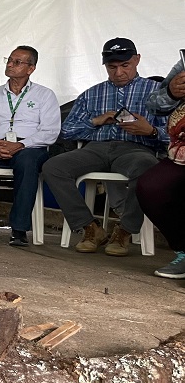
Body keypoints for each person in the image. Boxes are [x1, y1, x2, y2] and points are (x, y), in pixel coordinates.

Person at [42, 38, 167, 256]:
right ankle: (90, 227)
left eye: (125, 65)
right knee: (54, 167)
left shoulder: (157, 92)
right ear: (105, 66)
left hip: (136, 149)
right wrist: (96, 121)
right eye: (112, 67)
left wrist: (151, 131)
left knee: (147, 166)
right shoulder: (92, 94)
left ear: (137, 60)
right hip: (96, 149)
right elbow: (65, 131)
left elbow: (175, 135)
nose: (118, 72)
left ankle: (125, 230)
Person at [0, 46, 60, 247]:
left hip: (30, 148)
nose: (10, 65)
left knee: (27, 162)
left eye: (17, 62)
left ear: (31, 68)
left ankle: (19, 229)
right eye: (9, 60)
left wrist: (20, 145)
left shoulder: (45, 95)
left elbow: (50, 131)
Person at [136, 55, 185, 277]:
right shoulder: (184, 62)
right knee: (152, 188)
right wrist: (171, 93)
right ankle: (184, 250)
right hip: (181, 152)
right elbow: (153, 104)